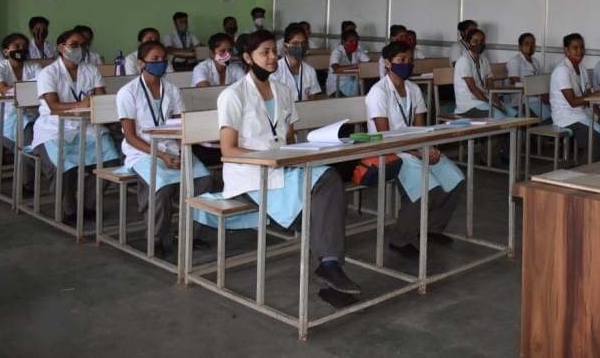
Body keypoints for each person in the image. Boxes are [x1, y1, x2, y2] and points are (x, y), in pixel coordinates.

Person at [218, 29, 360, 295]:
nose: (272, 57)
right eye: (265, 52)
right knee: (322, 206)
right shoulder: (233, 95)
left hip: (283, 166)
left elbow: (288, 136)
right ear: (247, 58)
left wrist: (301, 152)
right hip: (249, 173)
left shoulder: (282, 91)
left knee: (329, 178)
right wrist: (269, 158)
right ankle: (329, 267)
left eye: (274, 51)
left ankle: (329, 265)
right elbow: (228, 149)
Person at [365, 41, 464, 258]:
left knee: (455, 179)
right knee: (426, 188)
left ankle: (432, 228)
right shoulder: (378, 92)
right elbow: (384, 137)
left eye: (410, 60)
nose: (407, 64)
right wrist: (417, 153)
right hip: (389, 150)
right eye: (401, 60)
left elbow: (420, 129)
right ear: (388, 63)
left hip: (414, 147)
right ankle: (400, 239)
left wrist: (429, 148)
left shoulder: (414, 89)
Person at [117, 41, 213, 256]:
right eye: (155, 59)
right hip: (142, 150)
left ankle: (189, 234)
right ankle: (156, 238)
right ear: (141, 63)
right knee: (161, 187)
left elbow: (181, 125)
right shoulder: (128, 92)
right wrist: (161, 155)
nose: (160, 63)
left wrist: (181, 151)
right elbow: (130, 137)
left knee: (203, 180)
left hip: (171, 147)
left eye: (163, 59)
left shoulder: (171, 89)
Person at [31, 30, 119, 224]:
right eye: (74, 45)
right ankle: (69, 209)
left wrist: (94, 104)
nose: (80, 49)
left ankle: (88, 204)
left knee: (111, 160)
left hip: (87, 125)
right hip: (54, 127)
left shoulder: (91, 70)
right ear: (61, 47)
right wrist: (82, 104)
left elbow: (100, 99)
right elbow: (54, 106)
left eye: (83, 45)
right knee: (64, 166)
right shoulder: (48, 73)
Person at [549, 33, 600, 161]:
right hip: (567, 117)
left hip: (584, 113)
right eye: (575, 48)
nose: (579, 51)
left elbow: (589, 97)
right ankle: (581, 169)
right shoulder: (562, 70)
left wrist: (599, 114)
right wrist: (596, 94)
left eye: (582, 47)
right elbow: (573, 102)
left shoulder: (582, 68)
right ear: (566, 50)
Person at [0, 33, 41, 146]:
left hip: (30, 110)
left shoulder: (35, 66)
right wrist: (29, 90)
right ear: (6, 52)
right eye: (17, 46)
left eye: (24, 47)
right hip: (3, 112)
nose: (21, 49)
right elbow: (4, 90)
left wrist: (24, 91)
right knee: (26, 129)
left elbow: (44, 87)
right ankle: (26, 154)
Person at [453, 28, 515, 118]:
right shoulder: (464, 60)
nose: (479, 44)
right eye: (475, 41)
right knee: (500, 116)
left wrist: (497, 103)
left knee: (514, 115)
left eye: (482, 41)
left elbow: (491, 85)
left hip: (484, 99)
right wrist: (491, 104)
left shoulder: (484, 60)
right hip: (469, 104)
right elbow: (472, 88)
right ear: (468, 43)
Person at [272, 25, 324, 101]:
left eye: (303, 43)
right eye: (295, 43)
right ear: (285, 46)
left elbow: (312, 100)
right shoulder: (275, 71)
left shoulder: (310, 71)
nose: (300, 47)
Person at [506, 32, 548, 119]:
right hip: (522, 99)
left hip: (536, 97)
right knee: (547, 118)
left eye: (532, 43)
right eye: (526, 43)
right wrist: (537, 92)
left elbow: (540, 81)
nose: (530, 46)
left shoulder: (535, 61)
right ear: (520, 46)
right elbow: (516, 83)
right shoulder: (515, 61)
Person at [327, 30, 369, 97]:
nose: (354, 43)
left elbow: (369, 64)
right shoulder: (337, 52)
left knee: (369, 84)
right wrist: (356, 66)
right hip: (337, 86)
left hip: (352, 82)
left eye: (356, 41)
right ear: (344, 42)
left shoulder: (357, 51)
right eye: (351, 41)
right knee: (364, 89)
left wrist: (360, 66)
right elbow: (336, 68)